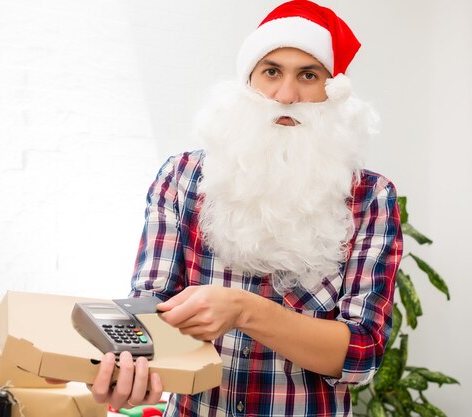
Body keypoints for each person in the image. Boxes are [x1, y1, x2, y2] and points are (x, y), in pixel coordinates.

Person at [88, 1, 403, 416]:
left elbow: (362, 354)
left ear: (332, 92)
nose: (286, 95)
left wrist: (246, 310)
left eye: (308, 75)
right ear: (248, 81)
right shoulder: (183, 177)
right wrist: (131, 374)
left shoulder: (370, 198)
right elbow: (151, 307)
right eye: (271, 72)